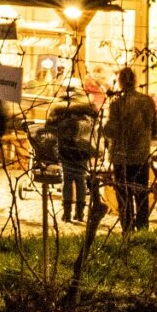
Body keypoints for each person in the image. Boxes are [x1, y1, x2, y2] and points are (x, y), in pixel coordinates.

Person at [104, 65, 157, 232]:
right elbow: (155, 130)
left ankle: (127, 230)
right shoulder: (147, 101)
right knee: (141, 195)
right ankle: (143, 230)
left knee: (124, 196)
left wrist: (103, 128)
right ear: (135, 81)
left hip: (121, 157)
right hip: (141, 155)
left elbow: (111, 130)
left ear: (120, 82)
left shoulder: (116, 103)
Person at [45, 78, 100, 224]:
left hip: (66, 148)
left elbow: (50, 126)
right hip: (82, 149)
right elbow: (95, 123)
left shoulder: (59, 106)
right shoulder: (86, 105)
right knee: (80, 180)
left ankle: (67, 213)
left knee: (67, 180)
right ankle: (80, 214)